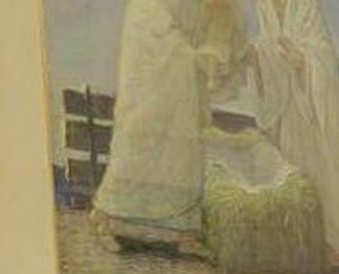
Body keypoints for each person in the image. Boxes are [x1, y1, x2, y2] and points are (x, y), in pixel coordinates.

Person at [91, 0, 245, 254]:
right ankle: (106, 215)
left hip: (181, 73)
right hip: (150, 66)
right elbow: (149, 21)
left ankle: (181, 230)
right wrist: (189, 55)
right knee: (139, 138)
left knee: (181, 151)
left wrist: (211, 51)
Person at [249, 0, 339, 274]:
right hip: (285, 112)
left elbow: (325, 56)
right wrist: (258, 57)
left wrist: (304, 60)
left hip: (311, 115)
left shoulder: (306, 5)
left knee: (320, 177)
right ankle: (297, 246)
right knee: (287, 175)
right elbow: (267, 48)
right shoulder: (264, 6)